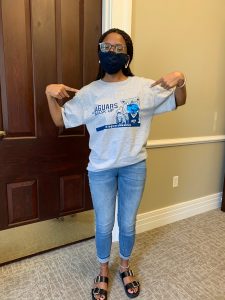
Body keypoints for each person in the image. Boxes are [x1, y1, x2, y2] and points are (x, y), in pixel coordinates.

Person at [45, 28, 186, 300]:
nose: (111, 52)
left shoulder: (145, 88)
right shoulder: (88, 93)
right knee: (103, 224)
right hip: (100, 170)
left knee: (128, 223)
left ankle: (123, 265)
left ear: (127, 56)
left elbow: (178, 101)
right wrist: (49, 94)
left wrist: (181, 79)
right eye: (106, 47)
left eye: (118, 49)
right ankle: (102, 270)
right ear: (99, 54)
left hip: (134, 166)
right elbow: (60, 120)